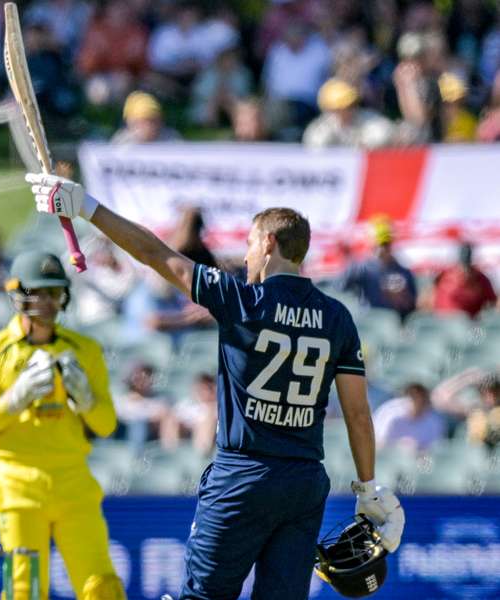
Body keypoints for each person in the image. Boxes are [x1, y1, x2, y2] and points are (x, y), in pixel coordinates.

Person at [25, 173, 405, 599]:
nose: (245, 258)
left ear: (268, 244)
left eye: (248, 244)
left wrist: (86, 207)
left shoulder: (242, 299)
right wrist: (368, 486)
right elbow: (356, 412)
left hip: (242, 476)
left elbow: (155, 253)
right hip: (303, 481)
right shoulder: (338, 317)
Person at [0, 250, 125, 600]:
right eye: (40, 292)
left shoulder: (84, 350)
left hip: (74, 482)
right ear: (18, 293)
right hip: (18, 485)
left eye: (54, 293)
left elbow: (107, 424)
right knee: (23, 590)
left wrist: (87, 402)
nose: (49, 302)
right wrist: (12, 401)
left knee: (103, 587)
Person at [340, 219, 418, 320]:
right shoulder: (361, 269)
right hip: (369, 321)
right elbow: (341, 288)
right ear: (371, 245)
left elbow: (412, 306)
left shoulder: (404, 272)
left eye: (386, 244)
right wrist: (349, 260)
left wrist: (401, 297)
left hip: (394, 323)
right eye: (379, 244)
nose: (382, 249)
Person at [302, 78, 395, 149]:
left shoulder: (370, 120)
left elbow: (384, 134)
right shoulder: (320, 127)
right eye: (338, 108)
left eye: (349, 106)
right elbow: (314, 148)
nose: (345, 111)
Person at [427, 242, 497, 318]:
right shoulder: (444, 275)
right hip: (443, 323)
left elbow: (492, 301)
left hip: (470, 325)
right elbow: (428, 300)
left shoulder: (480, 278)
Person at [372, 383, 446, 453]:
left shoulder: (434, 421)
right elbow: (376, 444)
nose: (418, 400)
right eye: (413, 395)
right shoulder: (390, 413)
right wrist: (398, 446)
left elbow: (433, 454)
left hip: (418, 462)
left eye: (422, 396)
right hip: (388, 459)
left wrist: (415, 451)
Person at [111, 91, 180, 144]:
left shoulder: (172, 139)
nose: (148, 126)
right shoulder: (122, 142)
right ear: (130, 123)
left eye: (152, 121)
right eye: (142, 122)